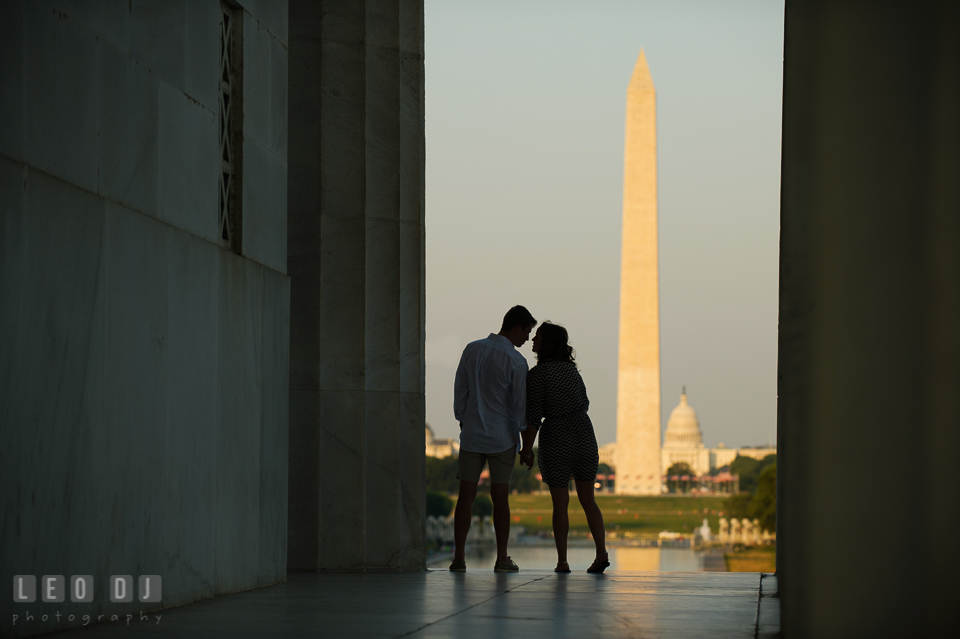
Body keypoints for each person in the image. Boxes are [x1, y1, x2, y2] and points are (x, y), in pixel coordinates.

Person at [450, 305, 537, 573]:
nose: (526, 340)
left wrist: (463, 417)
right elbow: (520, 408)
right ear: (518, 327)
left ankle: (459, 557)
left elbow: (460, 388)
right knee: (500, 499)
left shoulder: (472, 349)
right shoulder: (516, 362)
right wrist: (526, 447)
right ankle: (501, 558)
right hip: (502, 437)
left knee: (466, 497)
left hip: (473, 433)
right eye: (527, 332)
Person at [520, 322, 609, 574]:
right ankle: (601, 552)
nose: (533, 342)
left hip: (557, 434)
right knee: (588, 499)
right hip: (583, 431)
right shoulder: (573, 372)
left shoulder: (537, 375)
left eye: (537, 338)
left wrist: (527, 450)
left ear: (546, 343)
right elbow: (585, 402)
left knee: (560, 502)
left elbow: (534, 417)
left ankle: (562, 561)